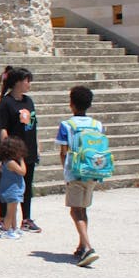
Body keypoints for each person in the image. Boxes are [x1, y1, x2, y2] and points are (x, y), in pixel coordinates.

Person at [56, 85, 103, 267]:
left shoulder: (67, 125)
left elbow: (63, 152)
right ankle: (81, 245)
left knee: (75, 211)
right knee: (83, 209)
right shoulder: (97, 125)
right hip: (93, 171)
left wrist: (66, 172)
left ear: (72, 104)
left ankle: (88, 247)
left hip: (75, 173)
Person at [0, 67, 41, 232]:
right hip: (13, 151)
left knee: (27, 185)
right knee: (9, 185)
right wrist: (6, 153)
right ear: (17, 82)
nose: (29, 84)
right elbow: (2, 128)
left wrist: (37, 145)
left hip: (29, 149)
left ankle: (26, 218)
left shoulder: (28, 101)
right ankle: (3, 218)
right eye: (26, 81)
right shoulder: (5, 103)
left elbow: (33, 124)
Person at [0, 136, 29, 239]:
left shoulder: (4, 162)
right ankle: (6, 230)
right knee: (10, 212)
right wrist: (22, 160)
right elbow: (23, 172)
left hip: (11, 190)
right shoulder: (11, 163)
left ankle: (14, 228)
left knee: (14, 211)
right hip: (12, 191)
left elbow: (0, 169)